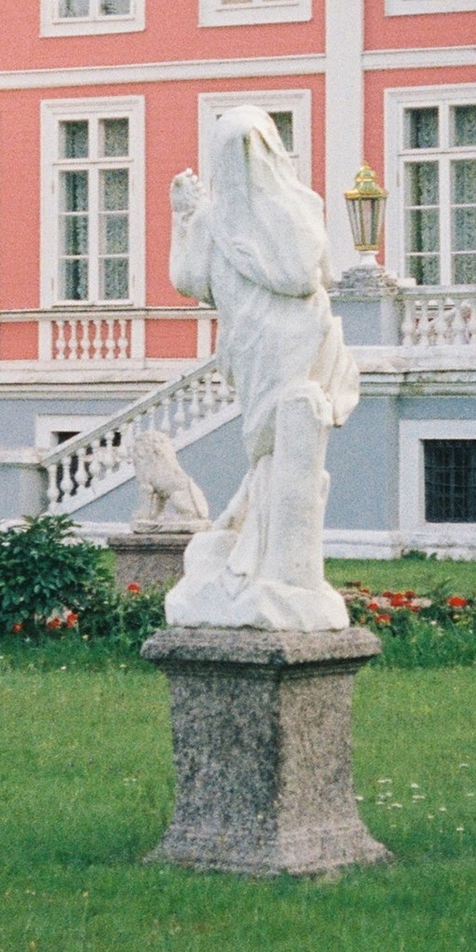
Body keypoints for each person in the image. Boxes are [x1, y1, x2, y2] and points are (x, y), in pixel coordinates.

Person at [162, 111, 357, 631]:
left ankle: (265, 556)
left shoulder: (250, 214)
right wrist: (186, 217)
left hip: (274, 345)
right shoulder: (278, 209)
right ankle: (260, 553)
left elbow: (294, 275)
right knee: (271, 447)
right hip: (264, 347)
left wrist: (195, 220)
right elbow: (192, 279)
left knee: (279, 443)